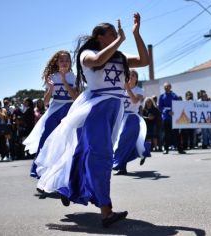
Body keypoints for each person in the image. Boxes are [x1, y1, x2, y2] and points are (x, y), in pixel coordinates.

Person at [35, 13, 149, 227]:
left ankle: (69, 187)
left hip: (114, 110)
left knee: (88, 154)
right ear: (99, 37)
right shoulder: (87, 54)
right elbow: (98, 61)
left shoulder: (120, 55)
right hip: (96, 109)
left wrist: (135, 34)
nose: (117, 35)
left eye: (117, 34)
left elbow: (145, 60)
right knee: (102, 155)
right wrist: (120, 41)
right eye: (112, 33)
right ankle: (106, 211)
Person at [23, 50, 78, 177]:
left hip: (69, 109)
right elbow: (46, 101)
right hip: (55, 109)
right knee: (45, 138)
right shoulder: (52, 77)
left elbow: (75, 97)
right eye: (61, 60)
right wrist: (50, 88)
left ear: (70, 62)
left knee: (66, 142)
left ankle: (63, 171)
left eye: (67, 60)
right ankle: (38, 169)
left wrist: (64, 81)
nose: (64, 62)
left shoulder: (74, 77)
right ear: (57, 62)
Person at [112, 69, 151, 175]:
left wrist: (128, 89)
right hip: (120, 117)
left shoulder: (139, 90)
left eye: (133, 75)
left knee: (123, 140)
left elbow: (134, 101)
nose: (131, 76)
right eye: (129, 75)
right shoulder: (121, 89)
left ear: (136, 78)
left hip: (132, 118)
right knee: (122, 142)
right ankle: (123, 167)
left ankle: (119, 163)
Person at [158, 82, 186, 154]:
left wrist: (174, 111)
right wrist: (167, 111)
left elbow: (178, 105)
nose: (166, 88)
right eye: (165, 87)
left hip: (174, 118)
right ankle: (166, 148)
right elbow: (160, 108)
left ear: (170, 87)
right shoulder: (161, 96)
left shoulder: (175, 96)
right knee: (166, 134)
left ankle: (180, 149)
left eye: (168, 86)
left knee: (176, 134)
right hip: (166, 118)